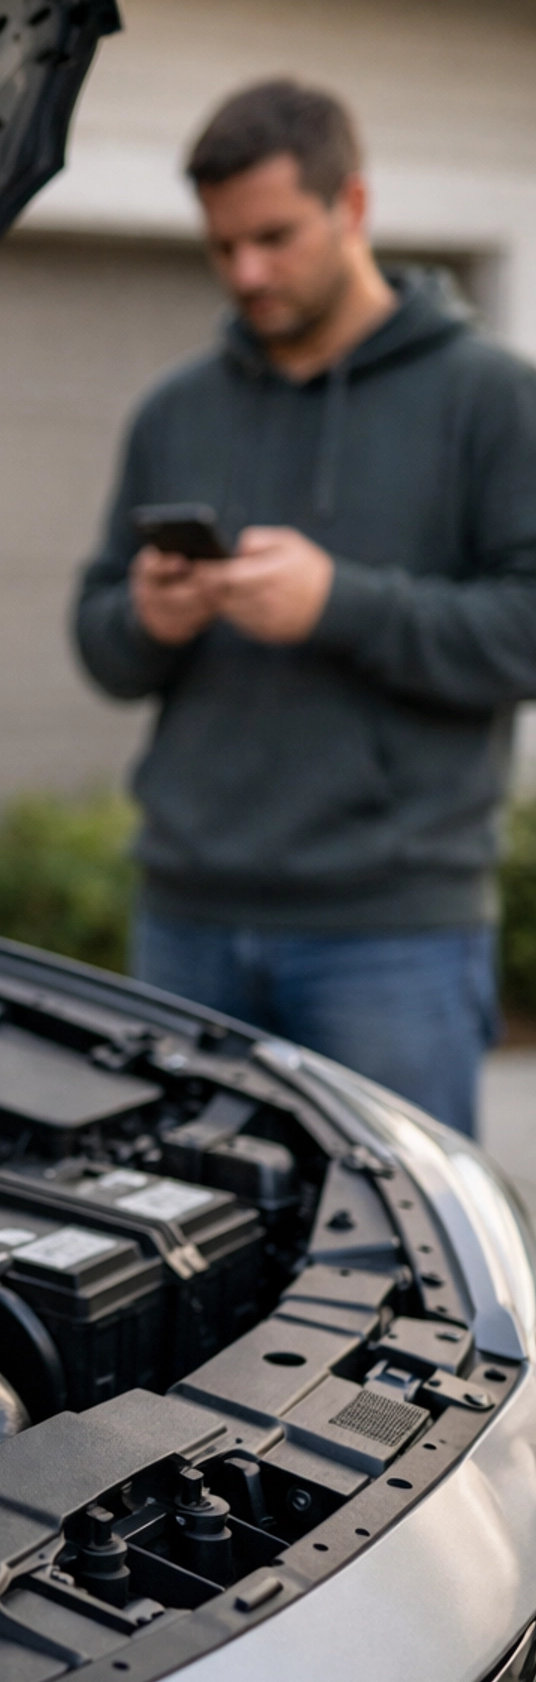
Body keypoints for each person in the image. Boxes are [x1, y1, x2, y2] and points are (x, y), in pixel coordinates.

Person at [75, 77, 536, 1136]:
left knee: (405, 1281)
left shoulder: (492, 399)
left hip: (392, 937)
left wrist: (342, 604)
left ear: (354, 209)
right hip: (185, 918)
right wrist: (151, 617)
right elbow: (99, 644)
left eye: (276, 238)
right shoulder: (176, 410)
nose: (248, 272)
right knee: (180, 1259)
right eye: (223, 246)